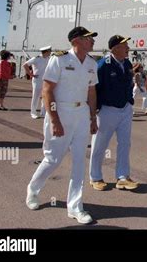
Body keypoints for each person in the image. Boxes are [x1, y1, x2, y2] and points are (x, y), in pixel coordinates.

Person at [26, 26, 99, 225]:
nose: (92, 41)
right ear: (76, 40)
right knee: (52, 159)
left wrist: (93, 118)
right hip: (61, 113)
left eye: (92, 38)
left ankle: (75, 207)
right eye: (88, 38)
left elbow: (91, 92)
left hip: (82, 114)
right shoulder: (58, 59)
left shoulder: (92, 63)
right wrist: (55, 120)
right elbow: (47, 90)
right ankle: (33, 190)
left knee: (79, 161)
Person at [89, 35, 139, 191]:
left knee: (125, 143)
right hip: (107, 110)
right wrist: (93, 113)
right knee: (100, 144)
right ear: (116, 48)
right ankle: (95, 177)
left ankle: (122, 177)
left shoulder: (127, 63)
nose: (128, 48)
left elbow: (129, 83)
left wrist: (130, 100)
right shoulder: (103, 65)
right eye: (125, 46)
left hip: (125, 109)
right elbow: (94, 89)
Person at [23, 46, 52, 119]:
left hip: (45, 80)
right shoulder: (36, 59)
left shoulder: (48, 59)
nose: (50, 52)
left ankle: (43, 112)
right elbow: (25, 65)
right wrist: (30, 74)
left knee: (45, 96)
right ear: (46, 51)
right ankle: (33, 113)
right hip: (37, 80)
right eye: (49, 51)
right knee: (36, 96)